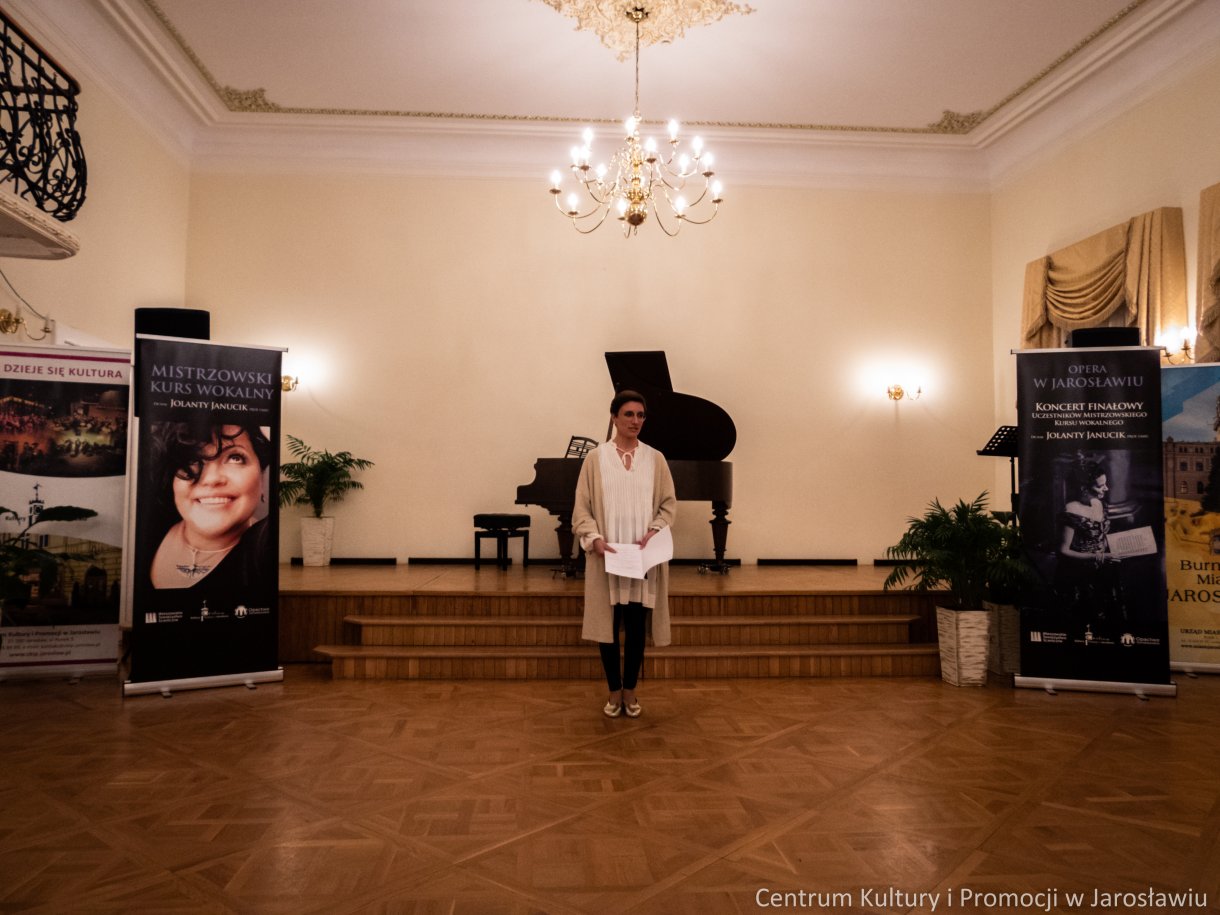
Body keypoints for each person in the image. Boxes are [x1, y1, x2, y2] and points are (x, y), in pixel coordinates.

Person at [572, 390, 677, 718]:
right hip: (608, 557)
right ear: (614, 417)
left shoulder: (655, 458)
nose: (636, 421)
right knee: (607, 627)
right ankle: (613, 691)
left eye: (641, 415)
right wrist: (595, 539)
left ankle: (631, 690)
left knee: (635, 628)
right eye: (629, 414)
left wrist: (655, 530)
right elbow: (582, 509)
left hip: (641, 561)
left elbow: (668, 505)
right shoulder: (595, 459)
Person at [146, 421, 273, 590]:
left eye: (235, 458)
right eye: (192, 459)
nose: (212, 479)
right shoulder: (146, 528)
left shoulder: (264, 546)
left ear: (262, 477)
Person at [1054, 455, 1122, 625]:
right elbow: (1063, 551)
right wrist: (1097, 556)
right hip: (1078, 574)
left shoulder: (1099, 503)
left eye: (1105, 483)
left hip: (1102, 568)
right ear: (1084, 487)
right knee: (1082, 620)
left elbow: (1101, 534)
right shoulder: (1071, 510)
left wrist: (1114, 547)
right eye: (1101, 486)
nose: (1106, 489)